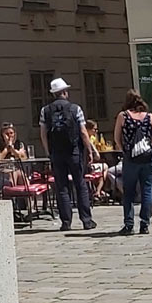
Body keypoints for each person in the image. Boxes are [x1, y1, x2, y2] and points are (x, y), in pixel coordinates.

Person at [39, 77, 97, 232]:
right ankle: (86, 220)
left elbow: (43, 134)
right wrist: (89, 150)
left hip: (56, 153)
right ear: (64, 92)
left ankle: (66, 222)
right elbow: (84, 132)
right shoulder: (75, 108)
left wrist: (48, 151)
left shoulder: (45, 110)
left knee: (62, 187)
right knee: (80, 185)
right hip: (74, 151)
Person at [114, 89, 152, 234]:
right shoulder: (150, 117)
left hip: (131, 158)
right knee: (147, 190)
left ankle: (129, 224)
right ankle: (145, 224)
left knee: (128, 191)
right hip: (148, 158)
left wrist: (124, 149)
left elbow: (117, 137)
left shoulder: (122, 116)